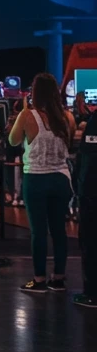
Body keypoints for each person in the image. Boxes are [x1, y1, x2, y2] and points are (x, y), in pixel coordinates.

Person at [9, 72, 74, 295]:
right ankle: (59, 277)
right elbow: (70, 143)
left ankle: (39, 279)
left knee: (38, 232)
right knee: (59, 230)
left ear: (34, 93)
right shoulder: (66, 117)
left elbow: (13, 140)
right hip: (61, 179)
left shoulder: (27, 116)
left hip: (36, 178)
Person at [73, 109, 97, 308]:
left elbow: (85, 160)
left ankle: (92, 293)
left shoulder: (93, 121)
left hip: (90, 194)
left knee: (90, 242)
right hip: (89, 192)